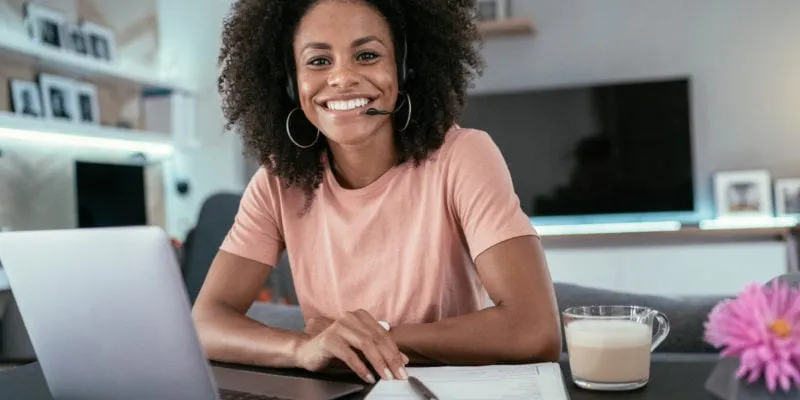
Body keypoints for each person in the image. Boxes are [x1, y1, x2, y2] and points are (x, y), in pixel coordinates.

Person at [192, 0, 562, 385]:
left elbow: (534, 329)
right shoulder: (276, 182)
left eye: (367, 55)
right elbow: (205, 322)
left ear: (404, 69)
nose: (342, 78)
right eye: (318, 61)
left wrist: (366, 341)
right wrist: (304, 349)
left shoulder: (462, 157)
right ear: (290, 81)